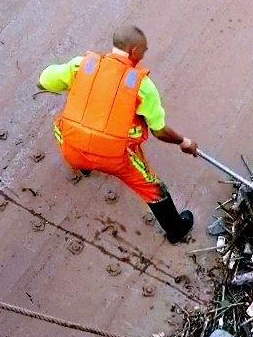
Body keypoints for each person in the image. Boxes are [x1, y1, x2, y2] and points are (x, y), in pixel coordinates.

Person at [38, 25, 198, 243]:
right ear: (134, 51)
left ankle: (84, 168)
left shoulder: (82, 65)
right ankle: (176, 229)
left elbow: (45, 80)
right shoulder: (143, 86)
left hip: (72, 149)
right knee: (152, 187)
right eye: (144, 50)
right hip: (115, 158)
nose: (144, 54)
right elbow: (159, 131)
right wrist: (183, 142)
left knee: (60, 124)